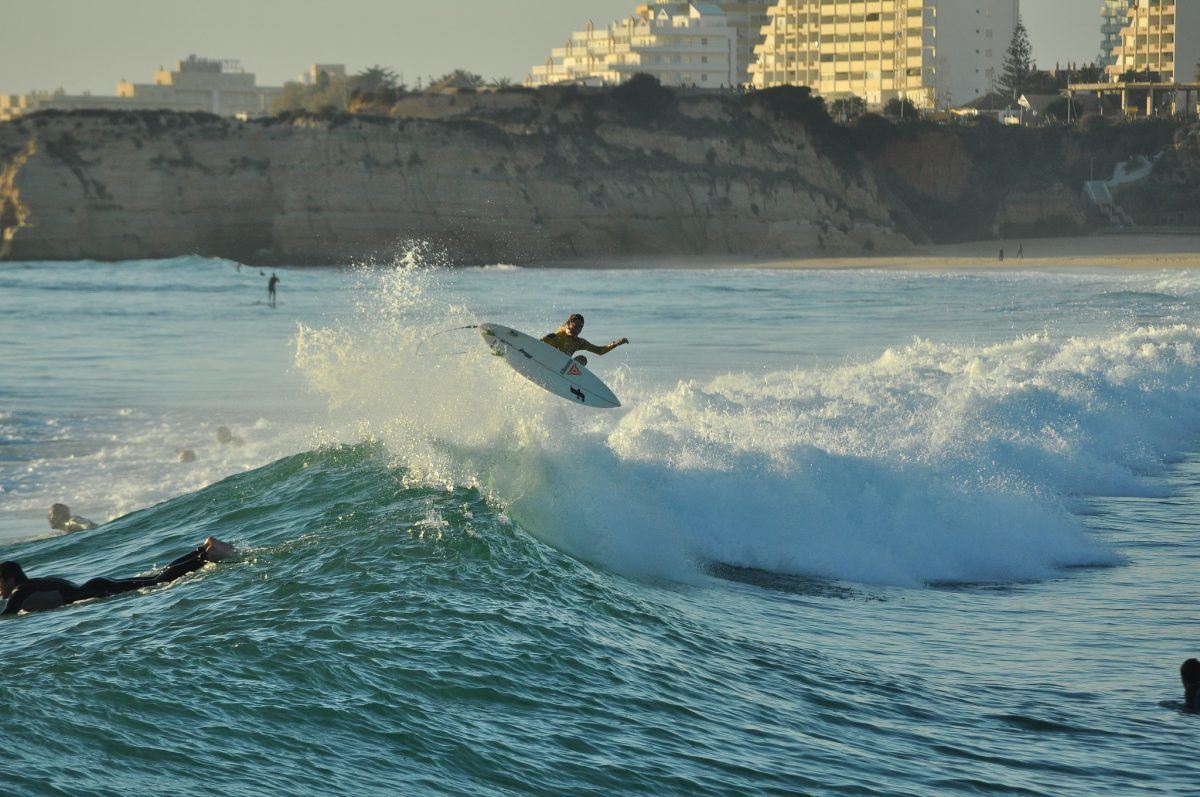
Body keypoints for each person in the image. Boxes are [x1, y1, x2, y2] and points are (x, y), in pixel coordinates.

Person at [1, 537, 235, 615]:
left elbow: (7, 616)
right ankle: (202, 550)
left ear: (10, 580)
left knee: (159, 581)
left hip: (97, 589)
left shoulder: (20, 592)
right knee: (158, 578)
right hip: (96, 585)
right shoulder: (32, 585)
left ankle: (206, 555)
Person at [541, 313, 629, 365]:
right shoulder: (558, 335)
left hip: (562, 366)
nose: (578, 329)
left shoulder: (579, 342)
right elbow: (538, 344)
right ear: (568, 324)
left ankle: (569, 377)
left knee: (582, 359)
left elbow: (600, 351)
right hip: (547, 360)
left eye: (580, 327)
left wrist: (616, 344)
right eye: (575, 326)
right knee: (549, 338)